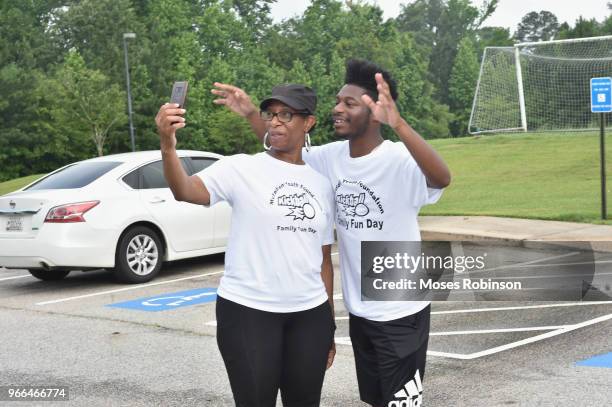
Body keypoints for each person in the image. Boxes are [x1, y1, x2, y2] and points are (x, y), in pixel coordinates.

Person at [212, 59, 451, 406]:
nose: (336, 109)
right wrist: (252, 114)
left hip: (401, 308)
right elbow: (285, 146)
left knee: (401, 403)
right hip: (362, 307)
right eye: (338, 101)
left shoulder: (399, 159)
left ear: (374, 113)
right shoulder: (330, 157)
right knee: (374, 399)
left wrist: (398, 124)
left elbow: (442, 178)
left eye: (348, 103)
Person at [155, 84, 337, 407]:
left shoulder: (321, 184)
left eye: (287, 114)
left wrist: (329, 324)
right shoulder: (240, 168)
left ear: (308, 122)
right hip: (248, 313)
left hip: (310, 317)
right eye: (271, 114)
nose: (276, 122)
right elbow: (185, 190)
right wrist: (167, 145)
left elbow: (323, 258)